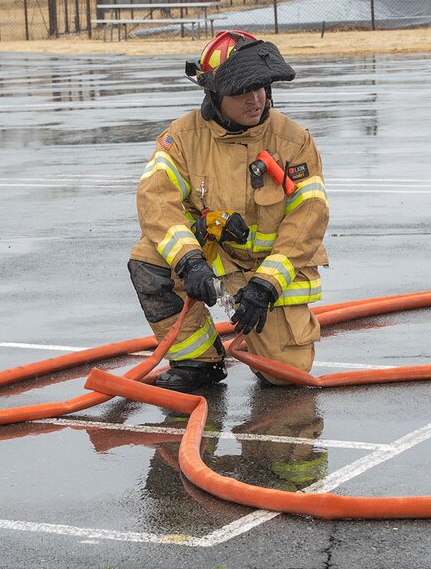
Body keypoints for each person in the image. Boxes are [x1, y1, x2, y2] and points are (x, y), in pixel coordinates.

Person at [128, 31, 329, 390]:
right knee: (149, 258)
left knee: (283, 375)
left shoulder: (293, 141)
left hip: (272, 273)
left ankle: (267, 338)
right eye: (242, 91)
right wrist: (190, 262)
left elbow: (308, 219)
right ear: (214, 94)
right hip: (213, 259)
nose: (255, 99)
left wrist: (266, 286)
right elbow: (157, 203)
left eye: (261, 87)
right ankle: (198, 361)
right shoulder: (183, 139)